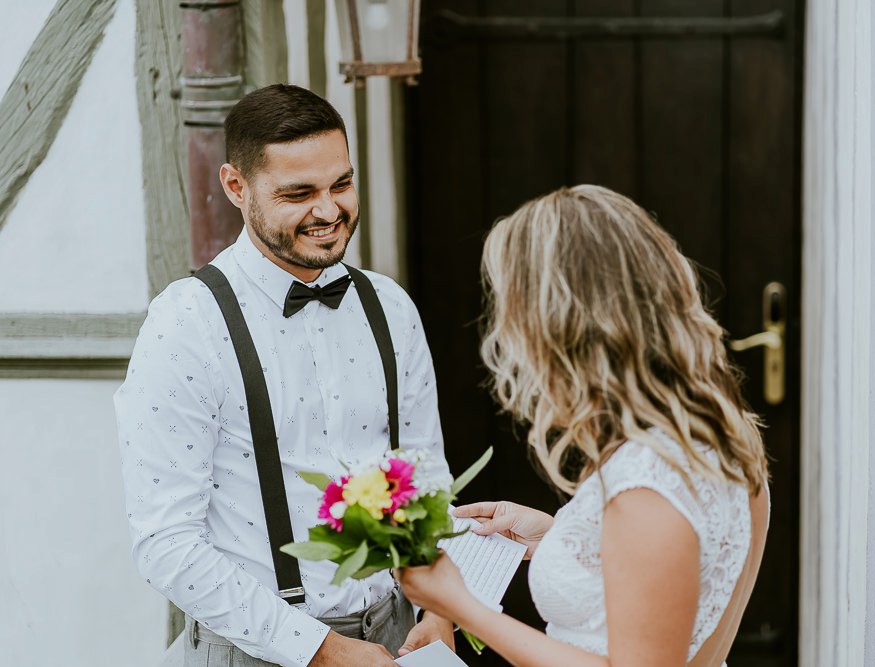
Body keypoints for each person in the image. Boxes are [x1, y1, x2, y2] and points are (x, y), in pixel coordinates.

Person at [115, 84, 454, 667]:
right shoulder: (186, 324)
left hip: (401, 641)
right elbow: (165, 542)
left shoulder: (391, 307)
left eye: (341, 184)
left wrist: (444, 612)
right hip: (257, 651)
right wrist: (321, 649)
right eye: (299, 193)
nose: (328, 211)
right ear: (235, 186)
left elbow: (425, 477)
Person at [397, 185, 771, 666]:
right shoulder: (726, 434)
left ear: (559, 325)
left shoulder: (645, 488)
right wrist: (556, 541)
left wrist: (462, 607)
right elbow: (671, 593)